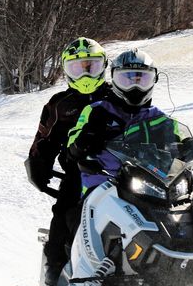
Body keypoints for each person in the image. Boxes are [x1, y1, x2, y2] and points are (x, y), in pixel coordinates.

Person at [25, 37, 111, 286]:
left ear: (103, 67)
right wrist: (38, 167)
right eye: (78, 67)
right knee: (64, 210)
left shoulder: (116, 96)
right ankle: (55, 265)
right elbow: (44, 139)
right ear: (66, 70)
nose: (85, 73)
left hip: (119, 169)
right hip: (79, 171)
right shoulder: (59, 105)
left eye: (91, 66)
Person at [67, 48, 171, 197]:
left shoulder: (160, 118)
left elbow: (178, 151)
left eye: (143, 80)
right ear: (114, 79)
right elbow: (72, 147)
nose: (135, 87)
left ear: (154, 80)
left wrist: (189, 149)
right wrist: (84, 139)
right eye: (125, 80)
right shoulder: (96, 110)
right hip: (102, 188)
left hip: (149, 190)